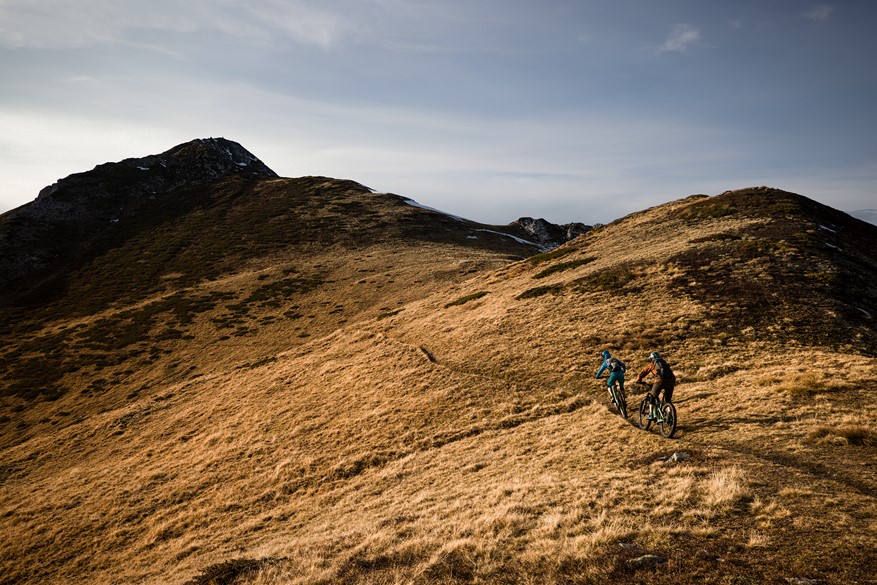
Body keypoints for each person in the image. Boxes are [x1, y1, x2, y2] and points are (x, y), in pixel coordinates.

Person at [636, 351, 676, 419]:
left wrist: (639, 379)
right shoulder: (664, 363)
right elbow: (672, 375)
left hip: (659, 381)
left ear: (652, 358)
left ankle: (651, 414)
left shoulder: (652, 364)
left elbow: (643, 372)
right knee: (668, 400)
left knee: (652, 396)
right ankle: (670, 415)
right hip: (670, 381)